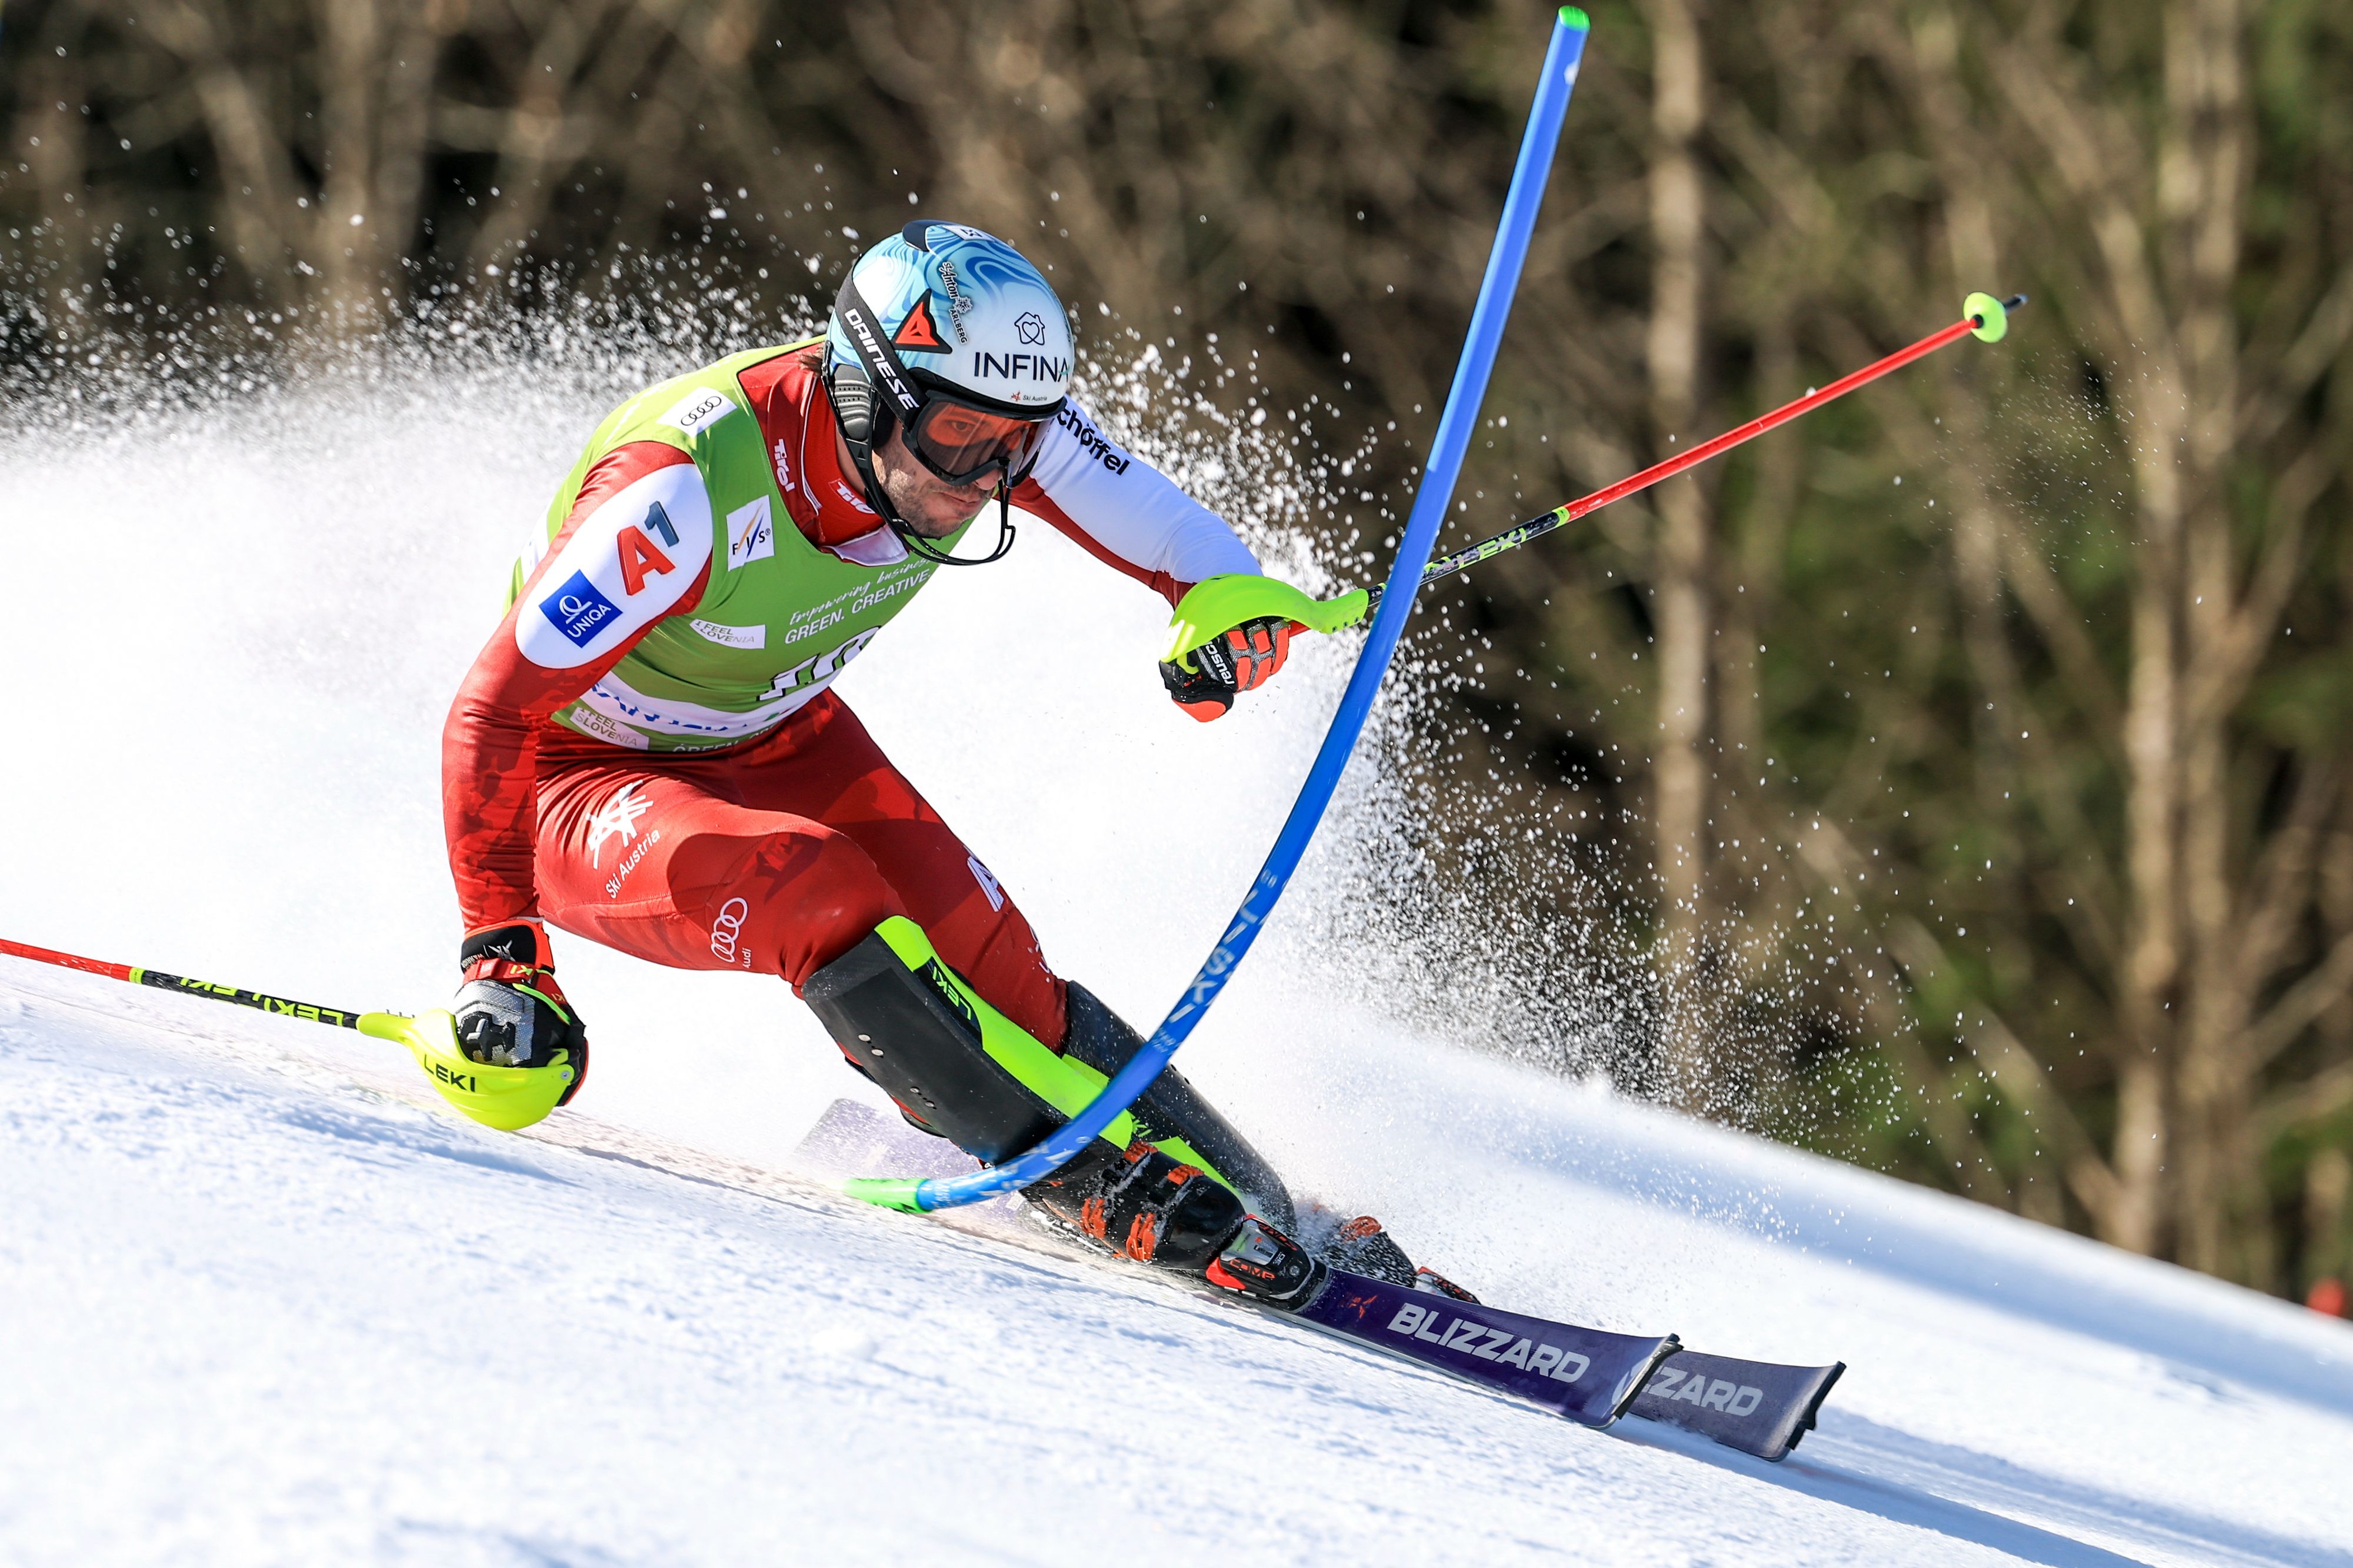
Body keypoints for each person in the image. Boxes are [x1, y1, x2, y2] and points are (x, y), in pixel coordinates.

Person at [438, 220, 1468, 1308]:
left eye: (1013, 446)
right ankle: (1086, 1177)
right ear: (862, 393)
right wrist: (503, 957)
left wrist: (1222, 602)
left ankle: (1267, 1210)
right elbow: (489, 717)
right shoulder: (682, 491)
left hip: (770, 733)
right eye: (959, 437)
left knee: (997, 967)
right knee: (817, 886)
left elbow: (1170, 534)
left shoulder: (968, 425)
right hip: (572, 779)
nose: (983, 476)